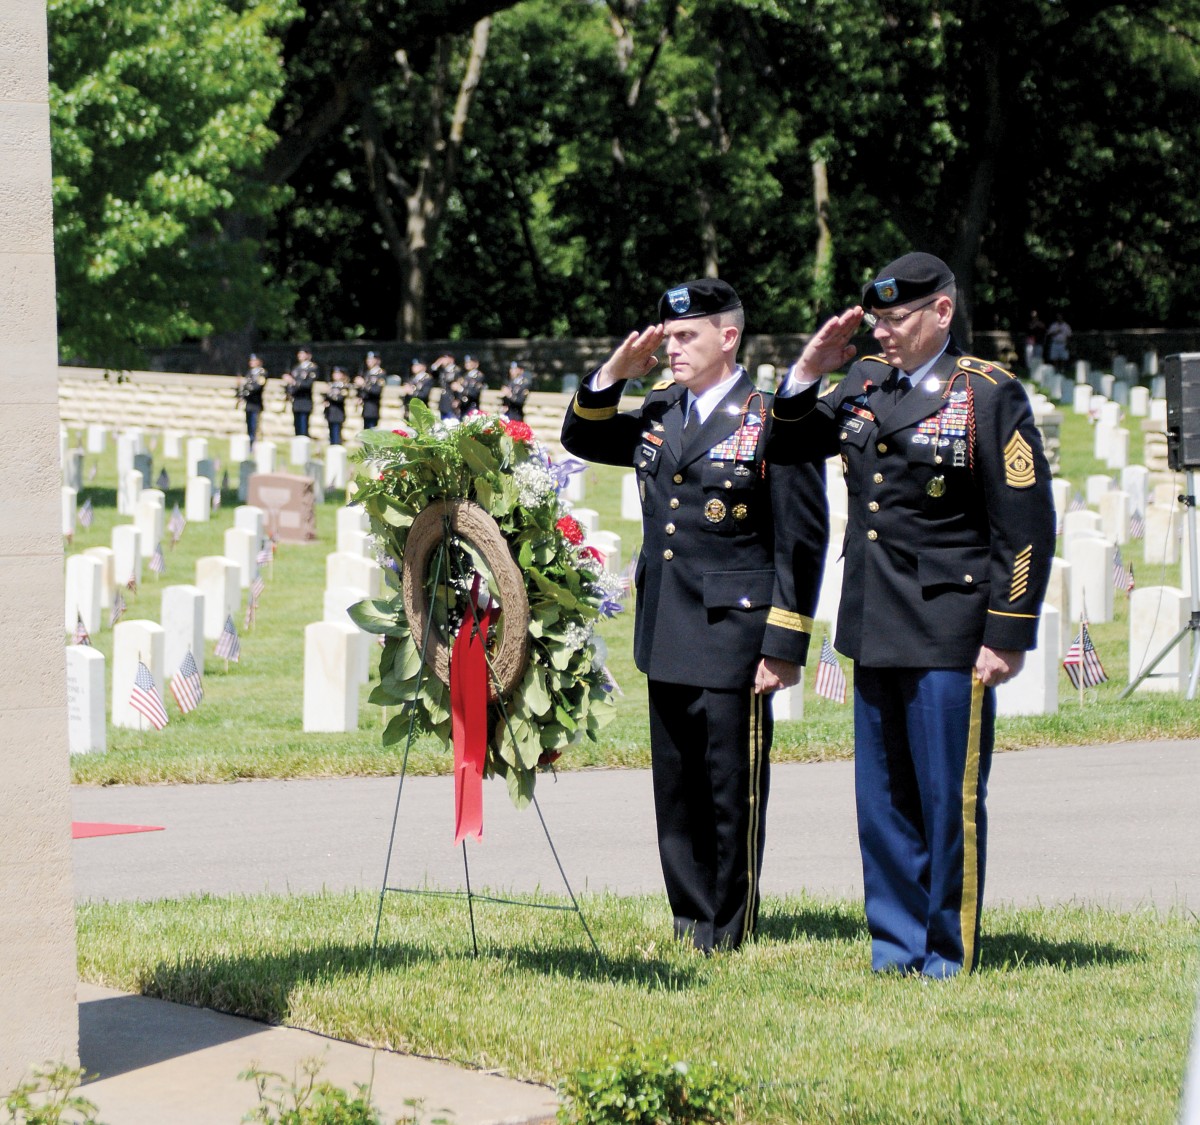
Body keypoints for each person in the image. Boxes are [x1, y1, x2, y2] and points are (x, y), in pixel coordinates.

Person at [774, 252, 1056, 977]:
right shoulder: (864, 382)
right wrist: (807, 372)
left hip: (949, 629)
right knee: (883, 800)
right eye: (876, 321)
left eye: (896, 320)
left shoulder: (987, 395)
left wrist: (1008, 631)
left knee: (945, 797)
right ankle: (895, 943)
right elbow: (791, 441)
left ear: (941, 313)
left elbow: (1024, 524)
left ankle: (946, 948)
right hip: (875, 622)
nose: (883, 333)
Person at [561, 278, 828, 953]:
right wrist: (612, 375)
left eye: (686, 336)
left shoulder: (771, 414)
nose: (671, 347)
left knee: (729, 784)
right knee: (676, 784)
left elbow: (801, 533)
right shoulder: (660, 409)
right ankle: (688, 917)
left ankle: (728, 923)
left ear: (728, 337)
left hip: (735, 628)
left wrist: (784, 640)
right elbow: (583, 437)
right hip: (668, 621)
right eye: (668, 336)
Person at [283, 346, 319, 436]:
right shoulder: (296, 368)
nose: (300, 355)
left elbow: (307, 385)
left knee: (303, 426)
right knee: (297, 426)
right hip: (296, 400)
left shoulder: (312, 368)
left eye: (303, 353)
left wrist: (293, 382)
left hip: (305, 400)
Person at [235, 353, 267, 444]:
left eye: (254, 360)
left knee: (255, 426)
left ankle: (255, 444)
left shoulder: (262, 373)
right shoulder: (250, 373)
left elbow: (257, 387)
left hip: (255, 403)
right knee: (249, 426)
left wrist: (246, 386)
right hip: (249, 403)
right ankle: (250, 443)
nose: (251, 362)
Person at [356, 351, 387, 430]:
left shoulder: (380, 373)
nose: (368, 361)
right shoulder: (367, 373)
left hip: (373, 407)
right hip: (366, 407)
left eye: (371, 359)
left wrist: (363, 384)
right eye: (368, 359)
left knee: (372, 430)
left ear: (377, 360)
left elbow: (376, 391)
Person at [323, 365, 351, 446]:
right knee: (331, 434)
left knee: (336, 434)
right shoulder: (331, 385)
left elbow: (339, 398)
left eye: (338, 373)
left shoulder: (344, 386)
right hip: (330, 413)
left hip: (338, 413)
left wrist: (329, 394)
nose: (335, 375)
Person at [432, 354, 463, 420]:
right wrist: (437, 363)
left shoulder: (456, 370)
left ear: (451, 359)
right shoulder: (443, 370)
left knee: (451, 421)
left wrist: (458, 399)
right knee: (443, 420)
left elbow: (458, 387)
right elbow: (433, 374)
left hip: (451, 398)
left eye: (445, 358)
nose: (442, 360)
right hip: (443, 399)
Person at [1024, 309, 1046, 374]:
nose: (1033, 317)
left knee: (1038, 358)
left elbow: (1044, 333)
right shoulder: (1029, 324)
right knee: (1029, 358)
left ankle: (1038, 371)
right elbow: (1028, 332)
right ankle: (1030, 371)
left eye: (1035, 316)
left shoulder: (1041, 324)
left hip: (1038, 343)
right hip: (1030, 343)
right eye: (1032, 316)